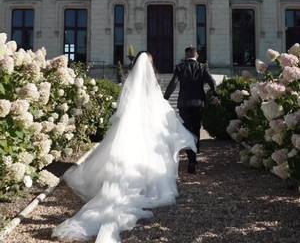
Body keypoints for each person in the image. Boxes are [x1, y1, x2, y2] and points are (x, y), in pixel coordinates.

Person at [52, 51, 196, 243]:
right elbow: (159, 106)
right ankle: (146, 181)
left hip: (130, 126)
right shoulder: (152, 83)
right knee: (149, 155)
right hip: (148, 127)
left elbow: (123, 106)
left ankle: (120, 183)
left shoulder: (130, 81)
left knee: (124, 156)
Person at [164, 46, 218, 174]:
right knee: (196, 129)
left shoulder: (180, 67)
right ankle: (194, 155)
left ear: (186, 55)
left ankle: (191, 158)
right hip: (199, 103)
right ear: (196, 55)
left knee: (187, 130)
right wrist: (215, 93)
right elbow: (212, 82)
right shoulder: (202, 67)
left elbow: (173, 83)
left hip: (184, 103)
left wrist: (165, 98)